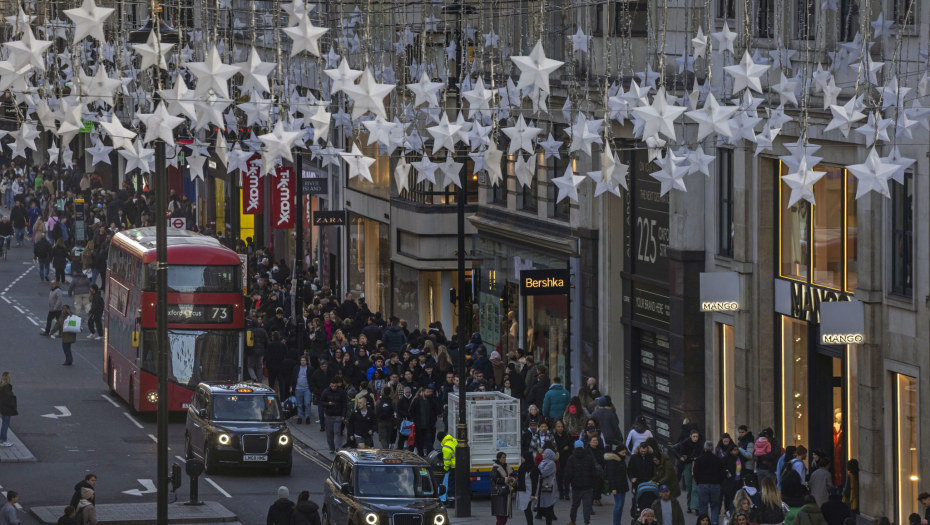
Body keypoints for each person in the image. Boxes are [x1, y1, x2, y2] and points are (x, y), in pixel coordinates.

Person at [565, 440, 596, 525]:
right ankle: (586, 522)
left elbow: (569, 474)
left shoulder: (571, 458)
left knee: (575, 505)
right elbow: (594, 472)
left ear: (574, 447)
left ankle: (573, 521)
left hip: (576, 486)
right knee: (586, 506)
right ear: (583, 447)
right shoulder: (589, 458)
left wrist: (571, 482)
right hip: (587, 486)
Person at [693, 441, 724, 525]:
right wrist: (718, 482)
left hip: (703, 484)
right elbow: (722, 473)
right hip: (715, 485)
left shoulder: (699, 459)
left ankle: (704, 522)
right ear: (713, 448)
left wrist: (699, 483)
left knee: (703, 507)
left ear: (704, 448)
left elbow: (695, 473)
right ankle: (714, 522)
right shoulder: (717, 460)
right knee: (715, 506)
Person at [606, 444, 630, 525]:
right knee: (618, 504)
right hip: (617, 486)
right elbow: (610, 475)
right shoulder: (613, 461)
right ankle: (616, 523)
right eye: (623, 453)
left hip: (622, 485)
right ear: (618, 452)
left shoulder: (621, 460)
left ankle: (618, 522)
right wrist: (613, 488)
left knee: (621, 505)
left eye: (625, 453)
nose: (624, 454)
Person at [320, 379, 346, 453]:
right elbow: (321, 402)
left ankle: (338, 448)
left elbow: (344, 403)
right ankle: (331, 447)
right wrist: (328, 404)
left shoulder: (341, 392)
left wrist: (343, 415)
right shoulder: (326, 391)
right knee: (329, 432)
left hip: (338, 414)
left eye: (335, 386)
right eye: (332, 386)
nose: (333, 387)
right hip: (329, 414)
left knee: (337, 431)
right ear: (330, 385)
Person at [515, 451, 540, 525]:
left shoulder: (533, 469)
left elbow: (535, 483)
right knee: (526, 510)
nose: (521, 458)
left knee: (528, 510)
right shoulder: (523, 467)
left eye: (523, 457)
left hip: (529, 493)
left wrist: (533, 494)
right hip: (523, 492)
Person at [491, 452, 514, 525]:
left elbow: (512, 475)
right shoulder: (495, 468)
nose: (505, 459)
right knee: (500, 515)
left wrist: (511, 479)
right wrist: (506, 479)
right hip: (499, 493)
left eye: (505, 457)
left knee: (505, 515)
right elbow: (495, 478)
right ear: (498, 458)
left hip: (507, 492)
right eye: (503, 457)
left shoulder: (507, 467)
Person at [553, 420, 574, 500]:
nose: (560, 428)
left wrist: (568, 447)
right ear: (555, 427)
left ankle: (566, 493)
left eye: (562, 426)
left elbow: (572, 444)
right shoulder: (554, 436)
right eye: (559, 427)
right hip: (558, 459)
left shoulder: (567, 435)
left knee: (566, 476)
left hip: (567, 458)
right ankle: (561, 493)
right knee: (559, 476)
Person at [0, 372, 15, 447]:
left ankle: (2, 440)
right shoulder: (8, 386)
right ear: (8, 378)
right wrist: (11, 393)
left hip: (2, 407)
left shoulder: (1, 385)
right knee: (5, 424)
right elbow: (7, 398)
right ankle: (3, 441)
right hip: (7, 408)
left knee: (4, 424)